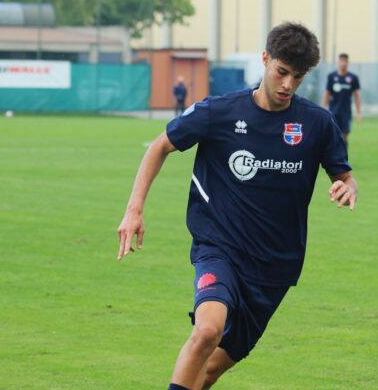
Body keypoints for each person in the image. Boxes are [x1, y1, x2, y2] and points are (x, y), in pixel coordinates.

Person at [116, 22, 358, 390]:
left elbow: (343, 175)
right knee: (207, 330)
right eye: (281, 72)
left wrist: (347, 188)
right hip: (220, 248)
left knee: (210, 370)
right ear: (265, 59)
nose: (287, 85)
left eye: (297, 76)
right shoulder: (219, 113)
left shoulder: (317, 123)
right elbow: (159, 146)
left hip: (275, 266)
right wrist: (134, 209)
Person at [322, 53, 361, 147]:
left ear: (348, 62)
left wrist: (358, 112)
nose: (343, 63)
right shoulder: (332, 76)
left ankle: (343, 159)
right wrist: (323, 109)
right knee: (332, 136)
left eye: (345, 61)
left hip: (346, 112)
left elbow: (356, 96)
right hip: (333, 111)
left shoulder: (353, 78)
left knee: (344, 136)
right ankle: (332, 158)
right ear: (338, 62)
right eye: (341, 61)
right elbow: (327, 93)